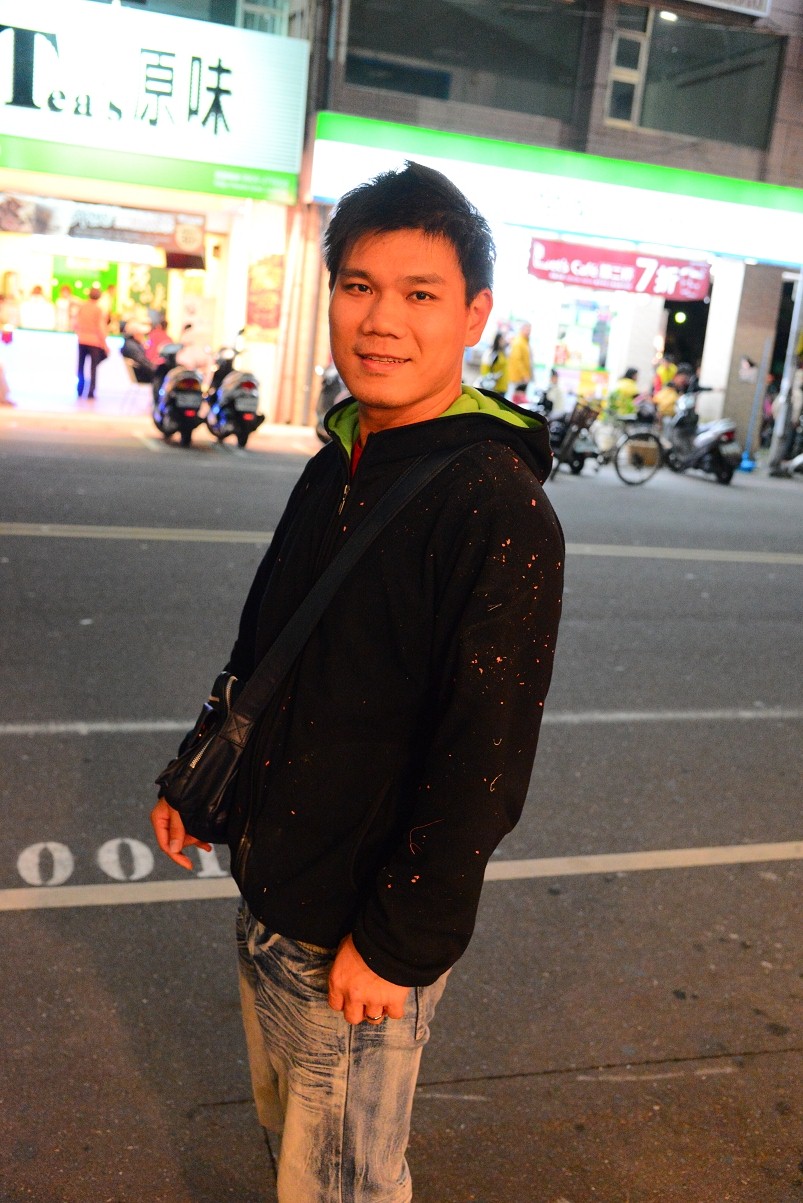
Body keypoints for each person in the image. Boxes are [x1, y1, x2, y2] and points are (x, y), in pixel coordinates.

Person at [151, 161, 564, 1203]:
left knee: (342, 1186)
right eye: (358, 287)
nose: (381, 321)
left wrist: (396, 943)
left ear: (473, 315)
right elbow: (269, 646)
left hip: (358, 936)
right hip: (273, 891)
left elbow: (484, 754)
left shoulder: (492, 503)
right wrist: (200, 779)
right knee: (293, 1155)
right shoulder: (338, 457)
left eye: (420, 294)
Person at [74, 288, 108, 400]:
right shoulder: (98, 310)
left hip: (82, 340)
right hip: (95, 342)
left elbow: (76, 323)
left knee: (81, 366)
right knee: (93, 368)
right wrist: (104, 344)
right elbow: (100, 327)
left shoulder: (82, 307)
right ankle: (91, 391)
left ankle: (80, 389)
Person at [508, 320, 533, 395]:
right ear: (522, 329)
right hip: (517, 377)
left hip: (521, 377)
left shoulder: (525, 342)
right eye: (527, 330)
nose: (529, 332)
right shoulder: (518, 342)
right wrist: (524, 375)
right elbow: (517, 360)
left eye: (530, 330)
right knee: (514, 398)